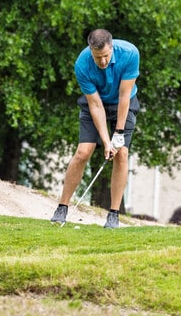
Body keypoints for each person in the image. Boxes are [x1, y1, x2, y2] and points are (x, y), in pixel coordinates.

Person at [50, 29, 140, 228]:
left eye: (106, 56)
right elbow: (96, 105)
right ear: (91, 50)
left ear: (112, 48)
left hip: (122, 103)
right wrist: (106, 142)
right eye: (98, 57)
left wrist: (117, 134)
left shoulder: (130, 53)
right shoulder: (82, 64)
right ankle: (62, 208)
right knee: (83, 152)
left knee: (121, 153)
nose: (103, 62)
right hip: (97, 102)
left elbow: (124, 97)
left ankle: (113, 214)